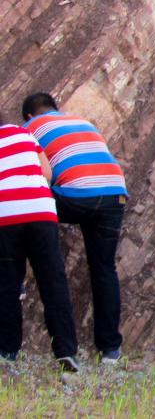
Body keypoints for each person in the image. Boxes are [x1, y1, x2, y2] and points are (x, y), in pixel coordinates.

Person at [22, 93, 127, 364]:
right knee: (104, 269)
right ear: (57, 109)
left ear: (30, 116)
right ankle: (110, 351)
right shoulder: (83, 122)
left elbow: (28, 170)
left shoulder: (30, 128)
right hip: (114, 192)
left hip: (74, 195)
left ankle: (17, 275)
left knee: (25, 208)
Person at [0, 118, 79, 371]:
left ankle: (8, 352)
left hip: (6, 214)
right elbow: (47, 173)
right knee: (53, 280)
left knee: (7, 285)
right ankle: (66, 351)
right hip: (41, 212)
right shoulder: (24, 135)